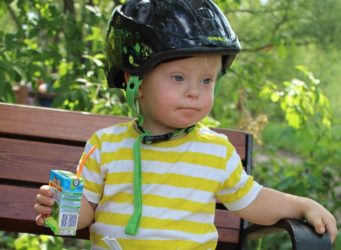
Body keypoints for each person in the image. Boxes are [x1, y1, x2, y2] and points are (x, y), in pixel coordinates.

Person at [34, 0, 337, 249]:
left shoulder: (215, 151)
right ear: (134, 81)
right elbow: (84, 211)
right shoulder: (106, 145)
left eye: (206, 80)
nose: (194, 91)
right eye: (178, 77)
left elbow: (252, 201)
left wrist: (302, 205)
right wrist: (61, 207)